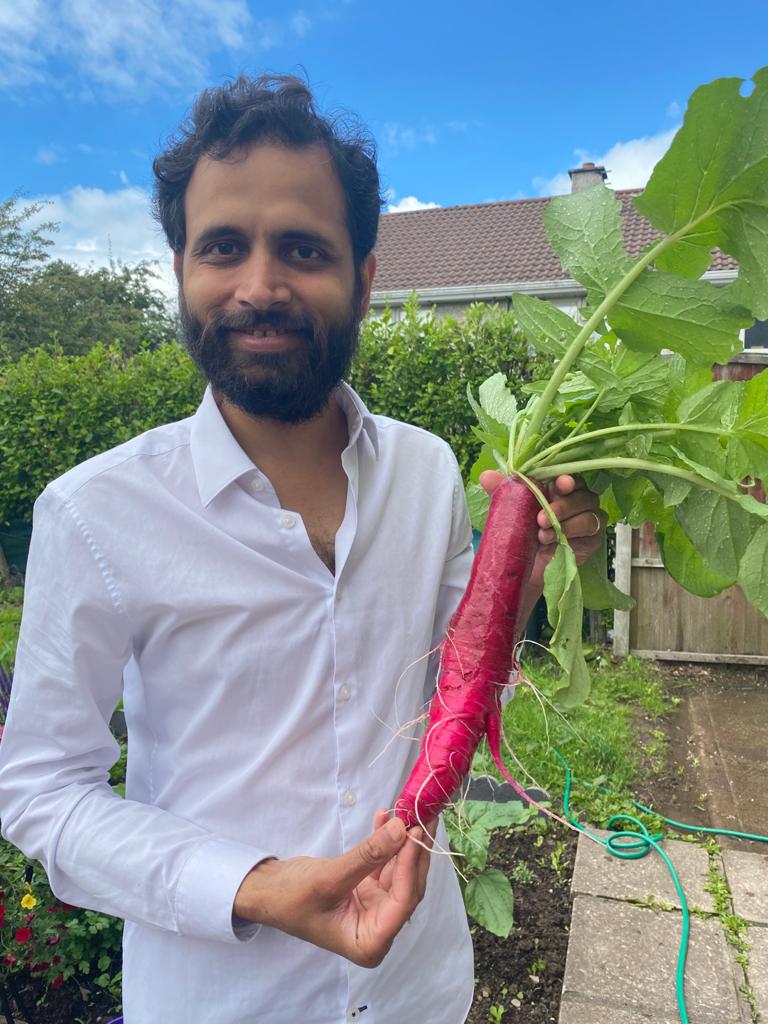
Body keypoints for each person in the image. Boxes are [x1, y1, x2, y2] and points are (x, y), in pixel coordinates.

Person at [0, 75, 604, 1023]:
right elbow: (42, 793)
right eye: (224, 247)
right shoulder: (91, 513)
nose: (261, 286)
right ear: (181, 270)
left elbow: (445, 683)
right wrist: (255, 885)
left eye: (303, 249)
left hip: (418, 988)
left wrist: (521, 577)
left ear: (363, 277)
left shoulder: (427, 469)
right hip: (217, 997)